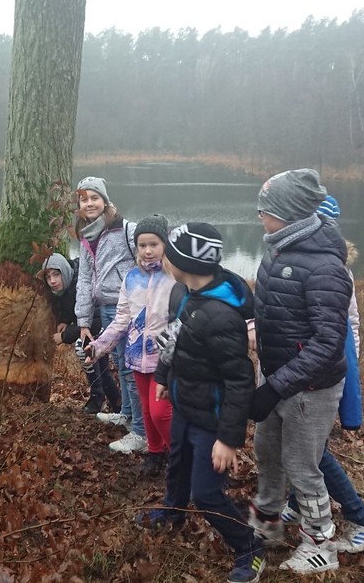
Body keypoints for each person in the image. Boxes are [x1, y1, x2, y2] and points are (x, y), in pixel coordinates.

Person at [138, 222, 265, 583]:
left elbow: (240, 381)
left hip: (212, 420)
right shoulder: (186, 294)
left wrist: (227, 439)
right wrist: (164, 378)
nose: (162, 258)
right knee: (177, 467)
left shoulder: (221, 317)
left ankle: (250, 547)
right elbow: (175, 341)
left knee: (207, 495)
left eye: (168, 254)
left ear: (186, 264)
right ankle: (172, 512)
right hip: (185, 407)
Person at [247, 169, 351, 575]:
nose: (259, 215)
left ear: (288, 213)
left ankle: (321, 544)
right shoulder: (276, 250)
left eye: (266, 209)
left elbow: (328, 343)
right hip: (275, 377)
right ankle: (267, 522)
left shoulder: (324, 267)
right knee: (266, 451)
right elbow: (269, 312)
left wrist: (276, 387)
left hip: (311, 388)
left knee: (302, 465)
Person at [276, 196, 364, 554]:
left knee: (313, 453)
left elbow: (346, 327)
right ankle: (297, 503)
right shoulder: (297, 259)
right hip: (305, 370)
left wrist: (346, 373)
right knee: (302, 446)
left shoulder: (330, 268)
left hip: (320, 375)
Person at [88, 215, 175, 469]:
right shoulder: (131, 278)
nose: (147, 251)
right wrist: (98, 347)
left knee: (161, 412)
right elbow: (121, 320)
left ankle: (178, 454)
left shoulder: (174, 278)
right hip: (136, 358)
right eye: (142, 245)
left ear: (165, 244)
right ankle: (155, 453)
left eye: (153, 244)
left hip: (164, 360)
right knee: (146, 410)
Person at [73, 177, 143, 441]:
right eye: (84, 199)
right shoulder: (86, 235)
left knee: (131, 367)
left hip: (128, 307)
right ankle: (126, 413)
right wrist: (83, 321)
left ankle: (138, 428)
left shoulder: (125, 229)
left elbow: (152, 255)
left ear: (104, 200)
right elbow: (85, 278)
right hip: (106, 309)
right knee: (120, 364)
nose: (89, 203)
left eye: (94, 198)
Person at [40, 253, 120, 414]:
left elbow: (94, 319)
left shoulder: (81, 283)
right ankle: (115, 402)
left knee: (82, 348)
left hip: (104, 323)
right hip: (91, 326)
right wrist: (64, 320)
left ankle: (98, 397)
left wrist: (64, 336)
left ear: (64, 271)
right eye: (48, 277)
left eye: (56, 274)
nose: (52, 281)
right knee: (101, 367)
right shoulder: (63, 289)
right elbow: (70, 307)